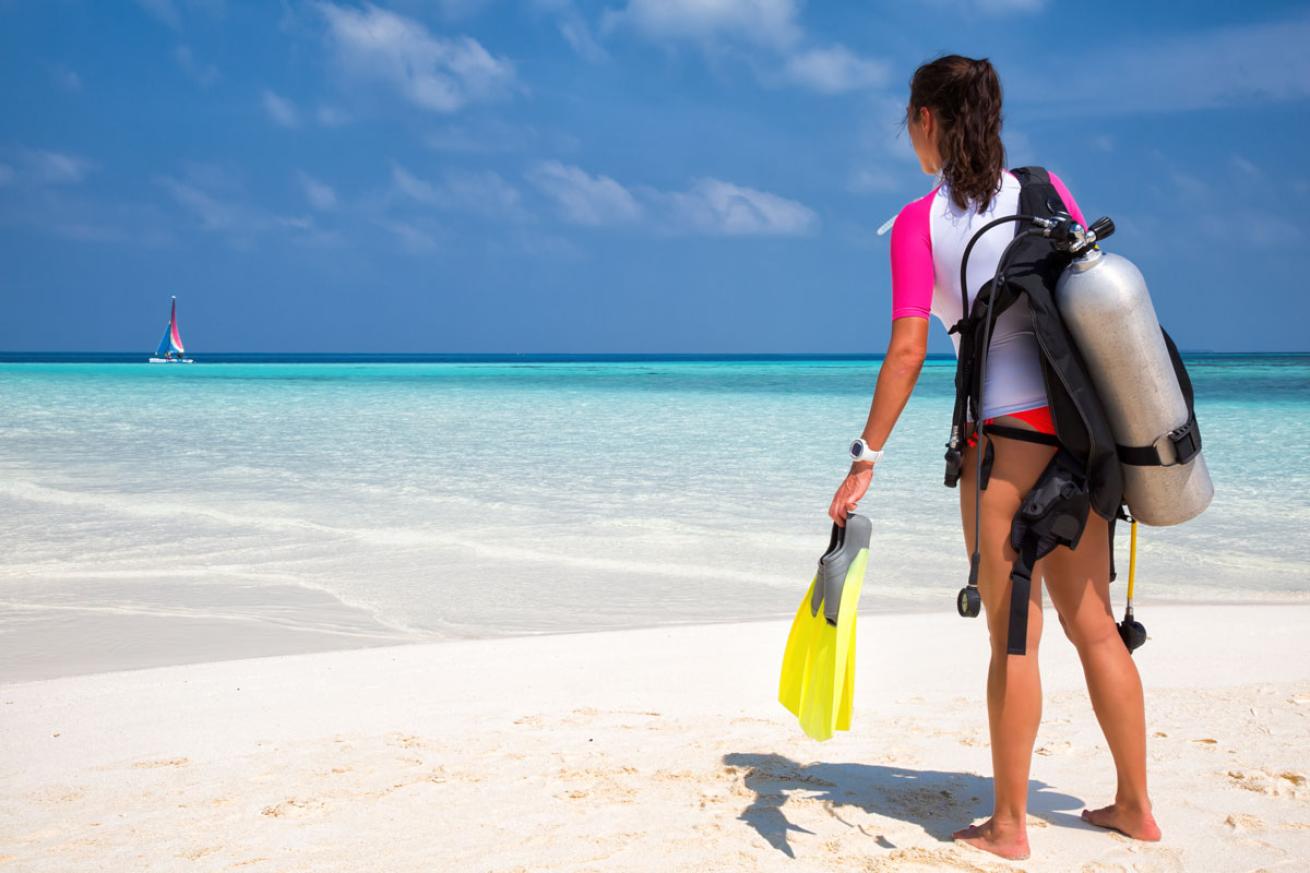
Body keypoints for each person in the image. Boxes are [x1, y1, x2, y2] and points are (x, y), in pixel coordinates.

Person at [827, 54, 1162, 861]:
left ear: (927, 120)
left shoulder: (918, 222)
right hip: (1080, 442)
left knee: (1015, 634)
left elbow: (909, 347)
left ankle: (1010, 824)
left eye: (910, 119)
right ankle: (1135, 805)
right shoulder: (1046, 194)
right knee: (1096, 628)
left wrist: (865, 454)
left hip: (1002, 449)